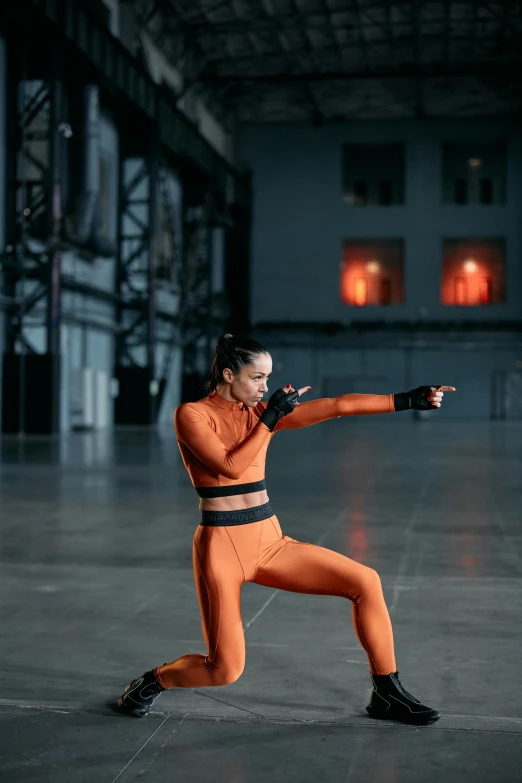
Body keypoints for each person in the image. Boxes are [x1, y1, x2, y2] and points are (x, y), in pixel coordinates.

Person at [116, 333, 456, 724]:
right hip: (222, 548)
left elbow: (337, 406)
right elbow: (229, 466)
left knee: (365, 581)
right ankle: (153, 681)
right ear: (228, 375)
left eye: (267, 378)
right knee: (224, 670)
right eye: (257, 378)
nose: (265, 387)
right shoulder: (191, 414)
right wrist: (270, 418)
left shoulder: (257, 412)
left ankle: (387, 692)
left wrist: (403, 400)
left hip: (269, 540)